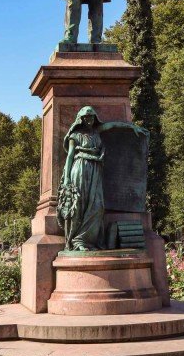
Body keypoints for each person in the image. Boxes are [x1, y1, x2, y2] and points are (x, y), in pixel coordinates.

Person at [57, 106, 148, 251]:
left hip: (95, 170)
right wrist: (67, 177)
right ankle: (78, 241)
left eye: (92, 118)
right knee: (79, 205)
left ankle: (89, 240)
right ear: (80, 119)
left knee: (97, 206)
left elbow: (112, 125)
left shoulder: (96, 131)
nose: (89, 120)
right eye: (86, 118)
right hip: (80, 169)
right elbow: (70, 157)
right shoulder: (75, 135)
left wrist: (131, 128)